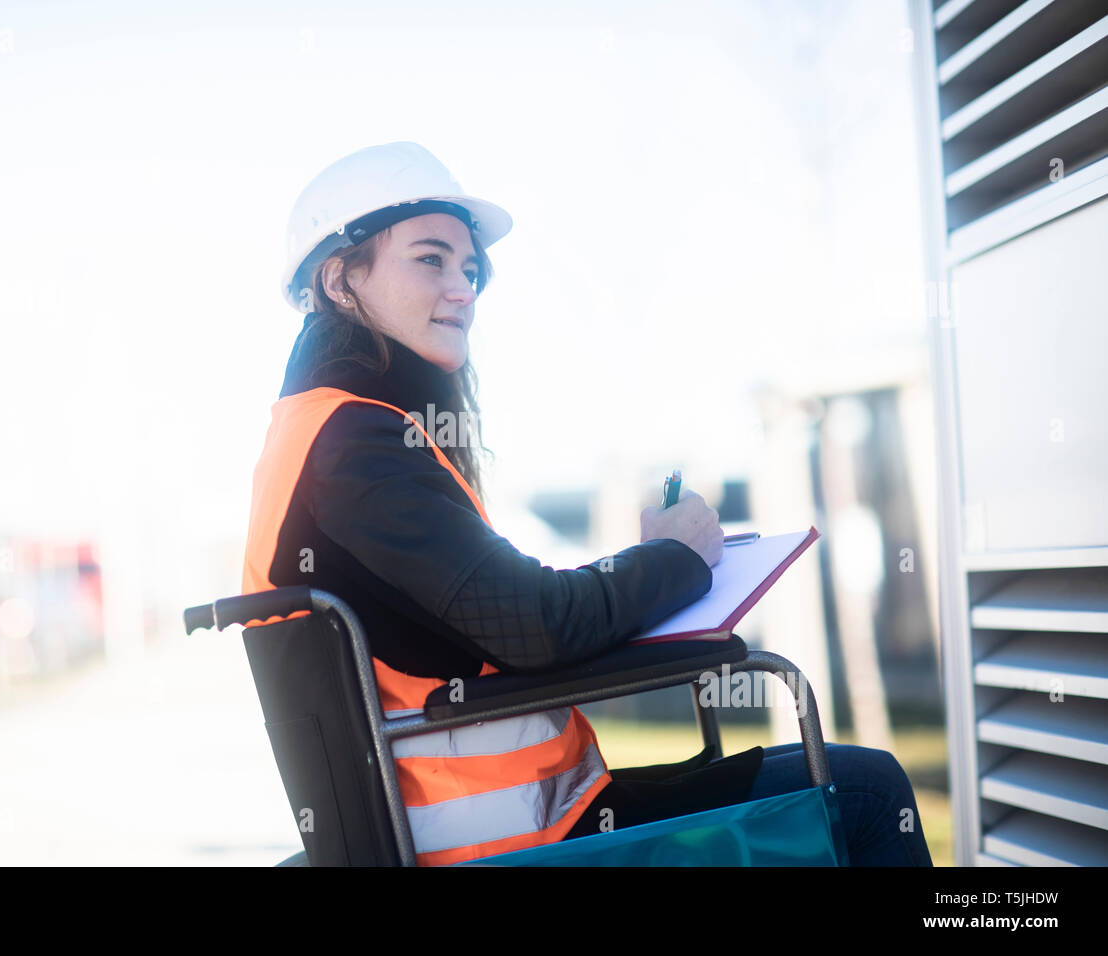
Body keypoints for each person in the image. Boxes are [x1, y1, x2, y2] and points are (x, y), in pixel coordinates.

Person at [243, 141, 931, 867]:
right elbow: (537, 626)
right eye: (430, 259)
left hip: (537, 822)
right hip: (517, 844)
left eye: (470, 269)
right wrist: (676, 557)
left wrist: (644, 572)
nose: (465, 288)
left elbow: (510, 616)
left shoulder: (331, 432)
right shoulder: (356, 444)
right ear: (340, 279)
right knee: (869, 793)